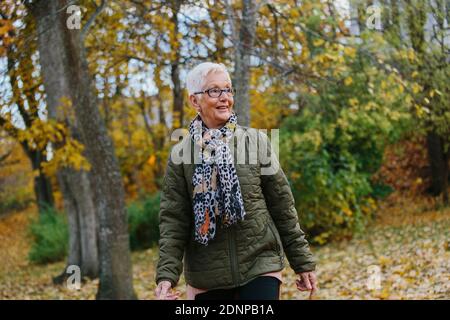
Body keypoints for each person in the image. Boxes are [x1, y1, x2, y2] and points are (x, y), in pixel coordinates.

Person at [154, 62, 317, 300]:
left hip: (260, 264)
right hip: (206, 274)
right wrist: (166, 277)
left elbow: (282, 205)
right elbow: (174, 220)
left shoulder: (256, 142)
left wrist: (302, 262)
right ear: (194, 101)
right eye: (214, 91)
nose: (224, 98)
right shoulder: (181, 155)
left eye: (228, 90)